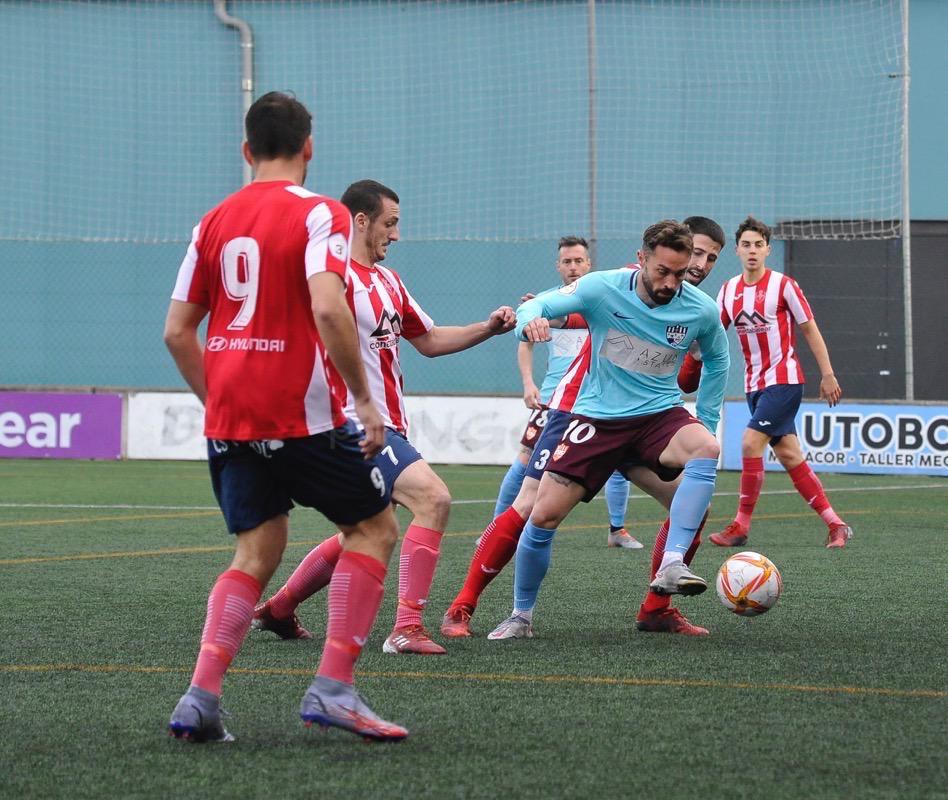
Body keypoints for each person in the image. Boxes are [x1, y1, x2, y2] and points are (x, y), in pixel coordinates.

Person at [164, 92, 406, 743]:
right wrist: (362, 398)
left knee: (257, 548)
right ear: (309, 148)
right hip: (303, 417)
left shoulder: (211, 221)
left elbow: (177, 332)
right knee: (375, 529)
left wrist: (218, 403)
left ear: (247, 151)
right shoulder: (320, 213)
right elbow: (329, 309)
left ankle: (200, 698)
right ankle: (333, 688)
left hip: (232, 420)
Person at [251, 179, 515, 655]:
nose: (395, 235)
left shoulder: (389, 282)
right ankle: (406, 628)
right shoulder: (330, 281)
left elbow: (430, 340)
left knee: (362, 529)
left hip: (387, 423)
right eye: (390, 224)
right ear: (361, 220)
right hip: (350, 423)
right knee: (434, 499)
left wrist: (488, 328)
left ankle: (280, 609)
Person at [441, 217, 726, 639]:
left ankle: (665, 584)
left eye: (680, 273)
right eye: (662, 271)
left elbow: (716, 361)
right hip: (589, 416)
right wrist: (530, 321)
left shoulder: (700, 308)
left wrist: (707, 419)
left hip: (655, 419)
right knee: (536, 510)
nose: (670, 282)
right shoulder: (601, 288)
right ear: (641, 260)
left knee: (704, 459)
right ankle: (489, 610)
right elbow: (535, 307)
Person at [709, 216, 852, 549]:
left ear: (768, 250)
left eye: (758, 245)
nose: (752, 251)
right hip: (754, 386)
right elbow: (713, 334)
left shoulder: (784, 285)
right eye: (746, 244)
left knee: (748, 443)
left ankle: (741, 525)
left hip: (785, 381)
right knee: (789, 455)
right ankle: (836, 524)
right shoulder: (728, 290)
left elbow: (809, 329)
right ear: (738, 249)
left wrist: (827, 373)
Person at [496, 236, 640, 549]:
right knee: (525, 461)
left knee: (618, 464)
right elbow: (526, 342)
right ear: (558, 266)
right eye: (567, 262)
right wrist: (528, 383)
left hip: (598, 400)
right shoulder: (548, 301)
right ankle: (496, 528)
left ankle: (617, 530)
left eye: (579, 261)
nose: (573, 267)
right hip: (554, 399)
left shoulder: (606, 301)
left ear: (589, 263)